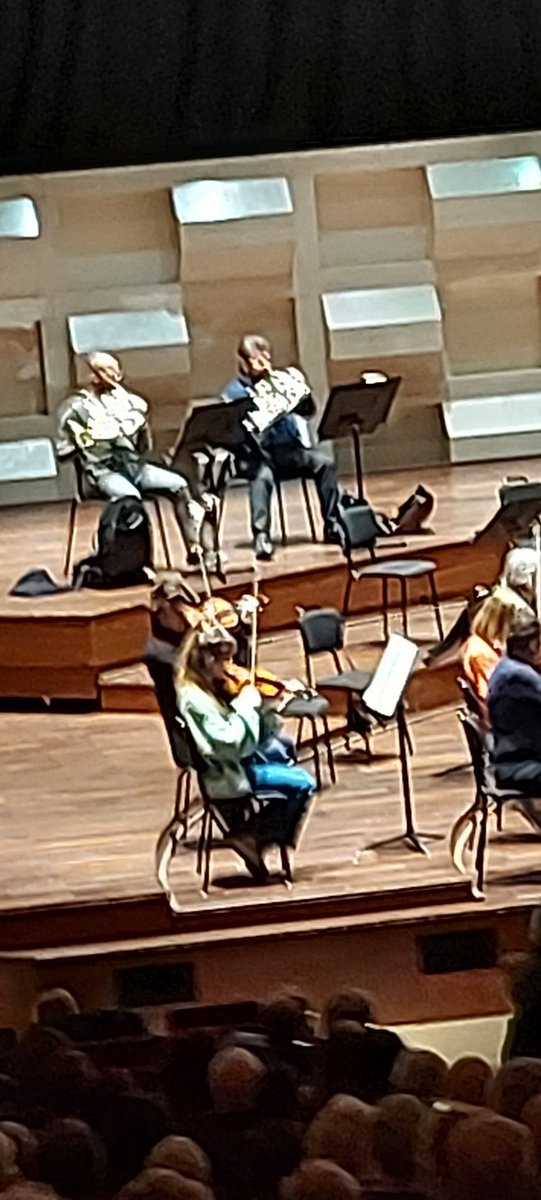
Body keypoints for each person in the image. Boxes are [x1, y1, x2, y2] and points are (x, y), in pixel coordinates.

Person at [56, 352, 219, 571]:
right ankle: (136, 561)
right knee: (130, 499)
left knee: (179, 485)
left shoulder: (128, 402)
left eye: (116, 370)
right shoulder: (75, 409)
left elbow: (144, 448)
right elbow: (63, 452)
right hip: (102, 472)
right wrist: (89, 439)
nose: (115, 375)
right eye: (107, 370)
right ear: (93, 376)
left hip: (135, 468)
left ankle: (195, 549)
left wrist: (140, 426)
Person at [175, 624, 314, 881]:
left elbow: (255, 737)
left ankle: (255, 836)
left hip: (237, 764)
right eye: (223, 658)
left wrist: (271, 708)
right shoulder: (194, 699)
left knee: (283, 751)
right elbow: (227, 743)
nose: (229, 665)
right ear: (206, 658)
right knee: (303, 783)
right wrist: (246, 705)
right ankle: (254, 836)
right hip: (227, 775)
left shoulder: (207, 688)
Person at [221, 334, 343, 560]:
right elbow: (243, 431)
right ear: (244, 362)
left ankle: (334, 524)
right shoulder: (234, 393)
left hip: (289, 450)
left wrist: (298, 394)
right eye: (256, 358)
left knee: (324, 463)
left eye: (265, 356)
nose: (264, 362)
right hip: (258, 456)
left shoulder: (279, 380)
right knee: (262, 478)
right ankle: (261, 536)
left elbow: (308, 411)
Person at [487, 610, 541, 832]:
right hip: (519, 765)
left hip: (513, 754)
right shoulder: (520, 680)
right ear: (534, 647)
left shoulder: (507, 667)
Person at [460, 586, 523, 703]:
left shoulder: (480, 643)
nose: (511, 630)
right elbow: (497, 685)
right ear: (499, 624)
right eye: (510, 624)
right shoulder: (480, 653)